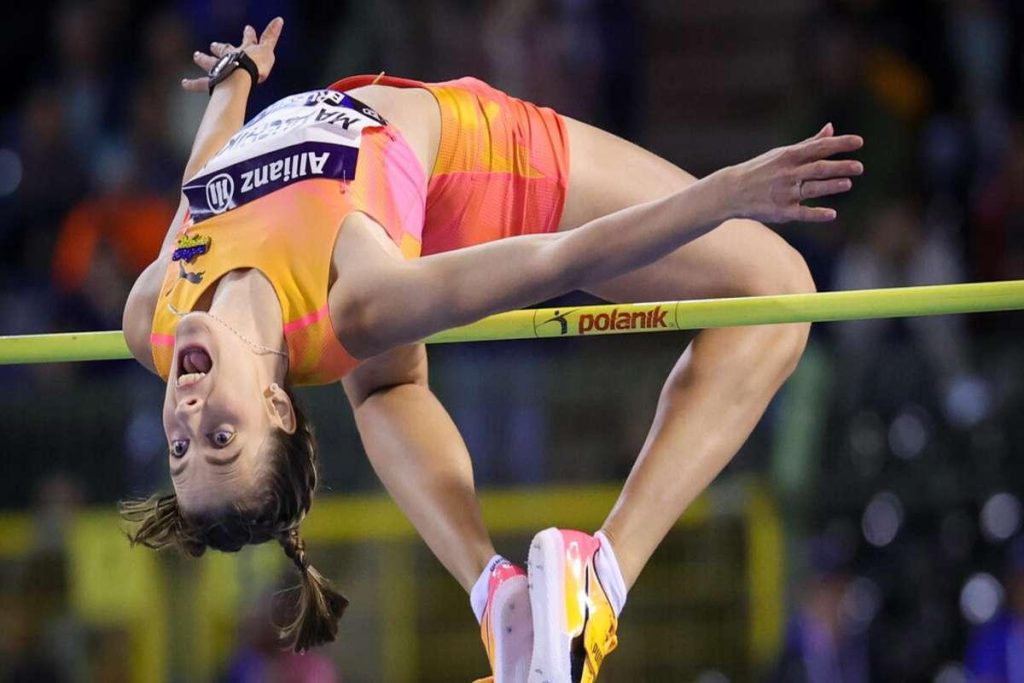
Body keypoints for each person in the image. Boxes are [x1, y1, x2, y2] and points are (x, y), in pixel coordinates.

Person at [118, 17, 864, 682]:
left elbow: (201, 186)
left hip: (383, 215)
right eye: (222, 437)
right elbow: (560, 261)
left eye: (181, 449)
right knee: (779, 291)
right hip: (478, 172)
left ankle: (498, 595)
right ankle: (601, 576)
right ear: (277, 405)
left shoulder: (153, 312)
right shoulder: (363, 299)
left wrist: (235, 83)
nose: (186, 417)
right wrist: (722, 194)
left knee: (385, 385)